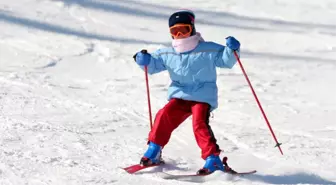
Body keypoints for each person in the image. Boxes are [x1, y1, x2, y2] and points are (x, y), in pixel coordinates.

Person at [133, 9, 240, 175]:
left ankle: (213, 159)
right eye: (174, 31)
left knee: (199, 123)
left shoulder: (208, 49)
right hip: (181, 95)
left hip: (202, 95)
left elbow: (225, 61)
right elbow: (153, 65)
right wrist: (144, 61)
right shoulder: (167, 52)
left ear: (192, 29)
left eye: (184, 30)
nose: (180, 35)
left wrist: (231, 50)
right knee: (164, 114)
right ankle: (154, 149)